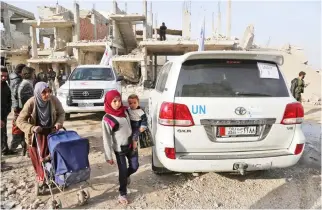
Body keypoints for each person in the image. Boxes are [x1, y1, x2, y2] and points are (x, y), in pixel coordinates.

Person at [16, 82, 65, 184]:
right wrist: (32, 128)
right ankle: (42, 177)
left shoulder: (53, 100)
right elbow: (19, 121)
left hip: (51, 132)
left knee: (52, 155)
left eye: (49, 91)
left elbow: (61, 113)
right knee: (39, 158)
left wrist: (59, 123)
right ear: (38, 93)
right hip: (36, 135)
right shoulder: (31, 103)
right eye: (44, 92)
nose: (47, 94)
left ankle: (54, 175)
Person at [102, 90, 139, 205]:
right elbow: (106, 138)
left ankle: (126, 176)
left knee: (135, 166)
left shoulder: (125, 111)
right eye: (114, 101)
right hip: (120, 150)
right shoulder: (107, 119)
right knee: (122, 171)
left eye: (119, 100)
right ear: (108, 102)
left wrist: (135, 140)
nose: (118, 103)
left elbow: (136, 120)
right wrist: (108, 156)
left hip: (131, 145)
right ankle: (122, 193)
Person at [11, 67, 35, 156]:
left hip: (23, 110)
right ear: (29, 74)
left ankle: (27, 150)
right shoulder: (26, 84)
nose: (34, 75)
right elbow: (28, 101)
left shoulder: (25, 83)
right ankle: (29, 151)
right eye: (33, 73)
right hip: (27, 111)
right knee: (28, 132)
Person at [1, 66, 15, 156]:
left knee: (3, 133)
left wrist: (8, 109)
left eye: (5, 76)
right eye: (2, 76)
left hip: (3, 114)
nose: (4, 78)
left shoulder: (6, 86)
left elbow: (9, 99)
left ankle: (4, 150)